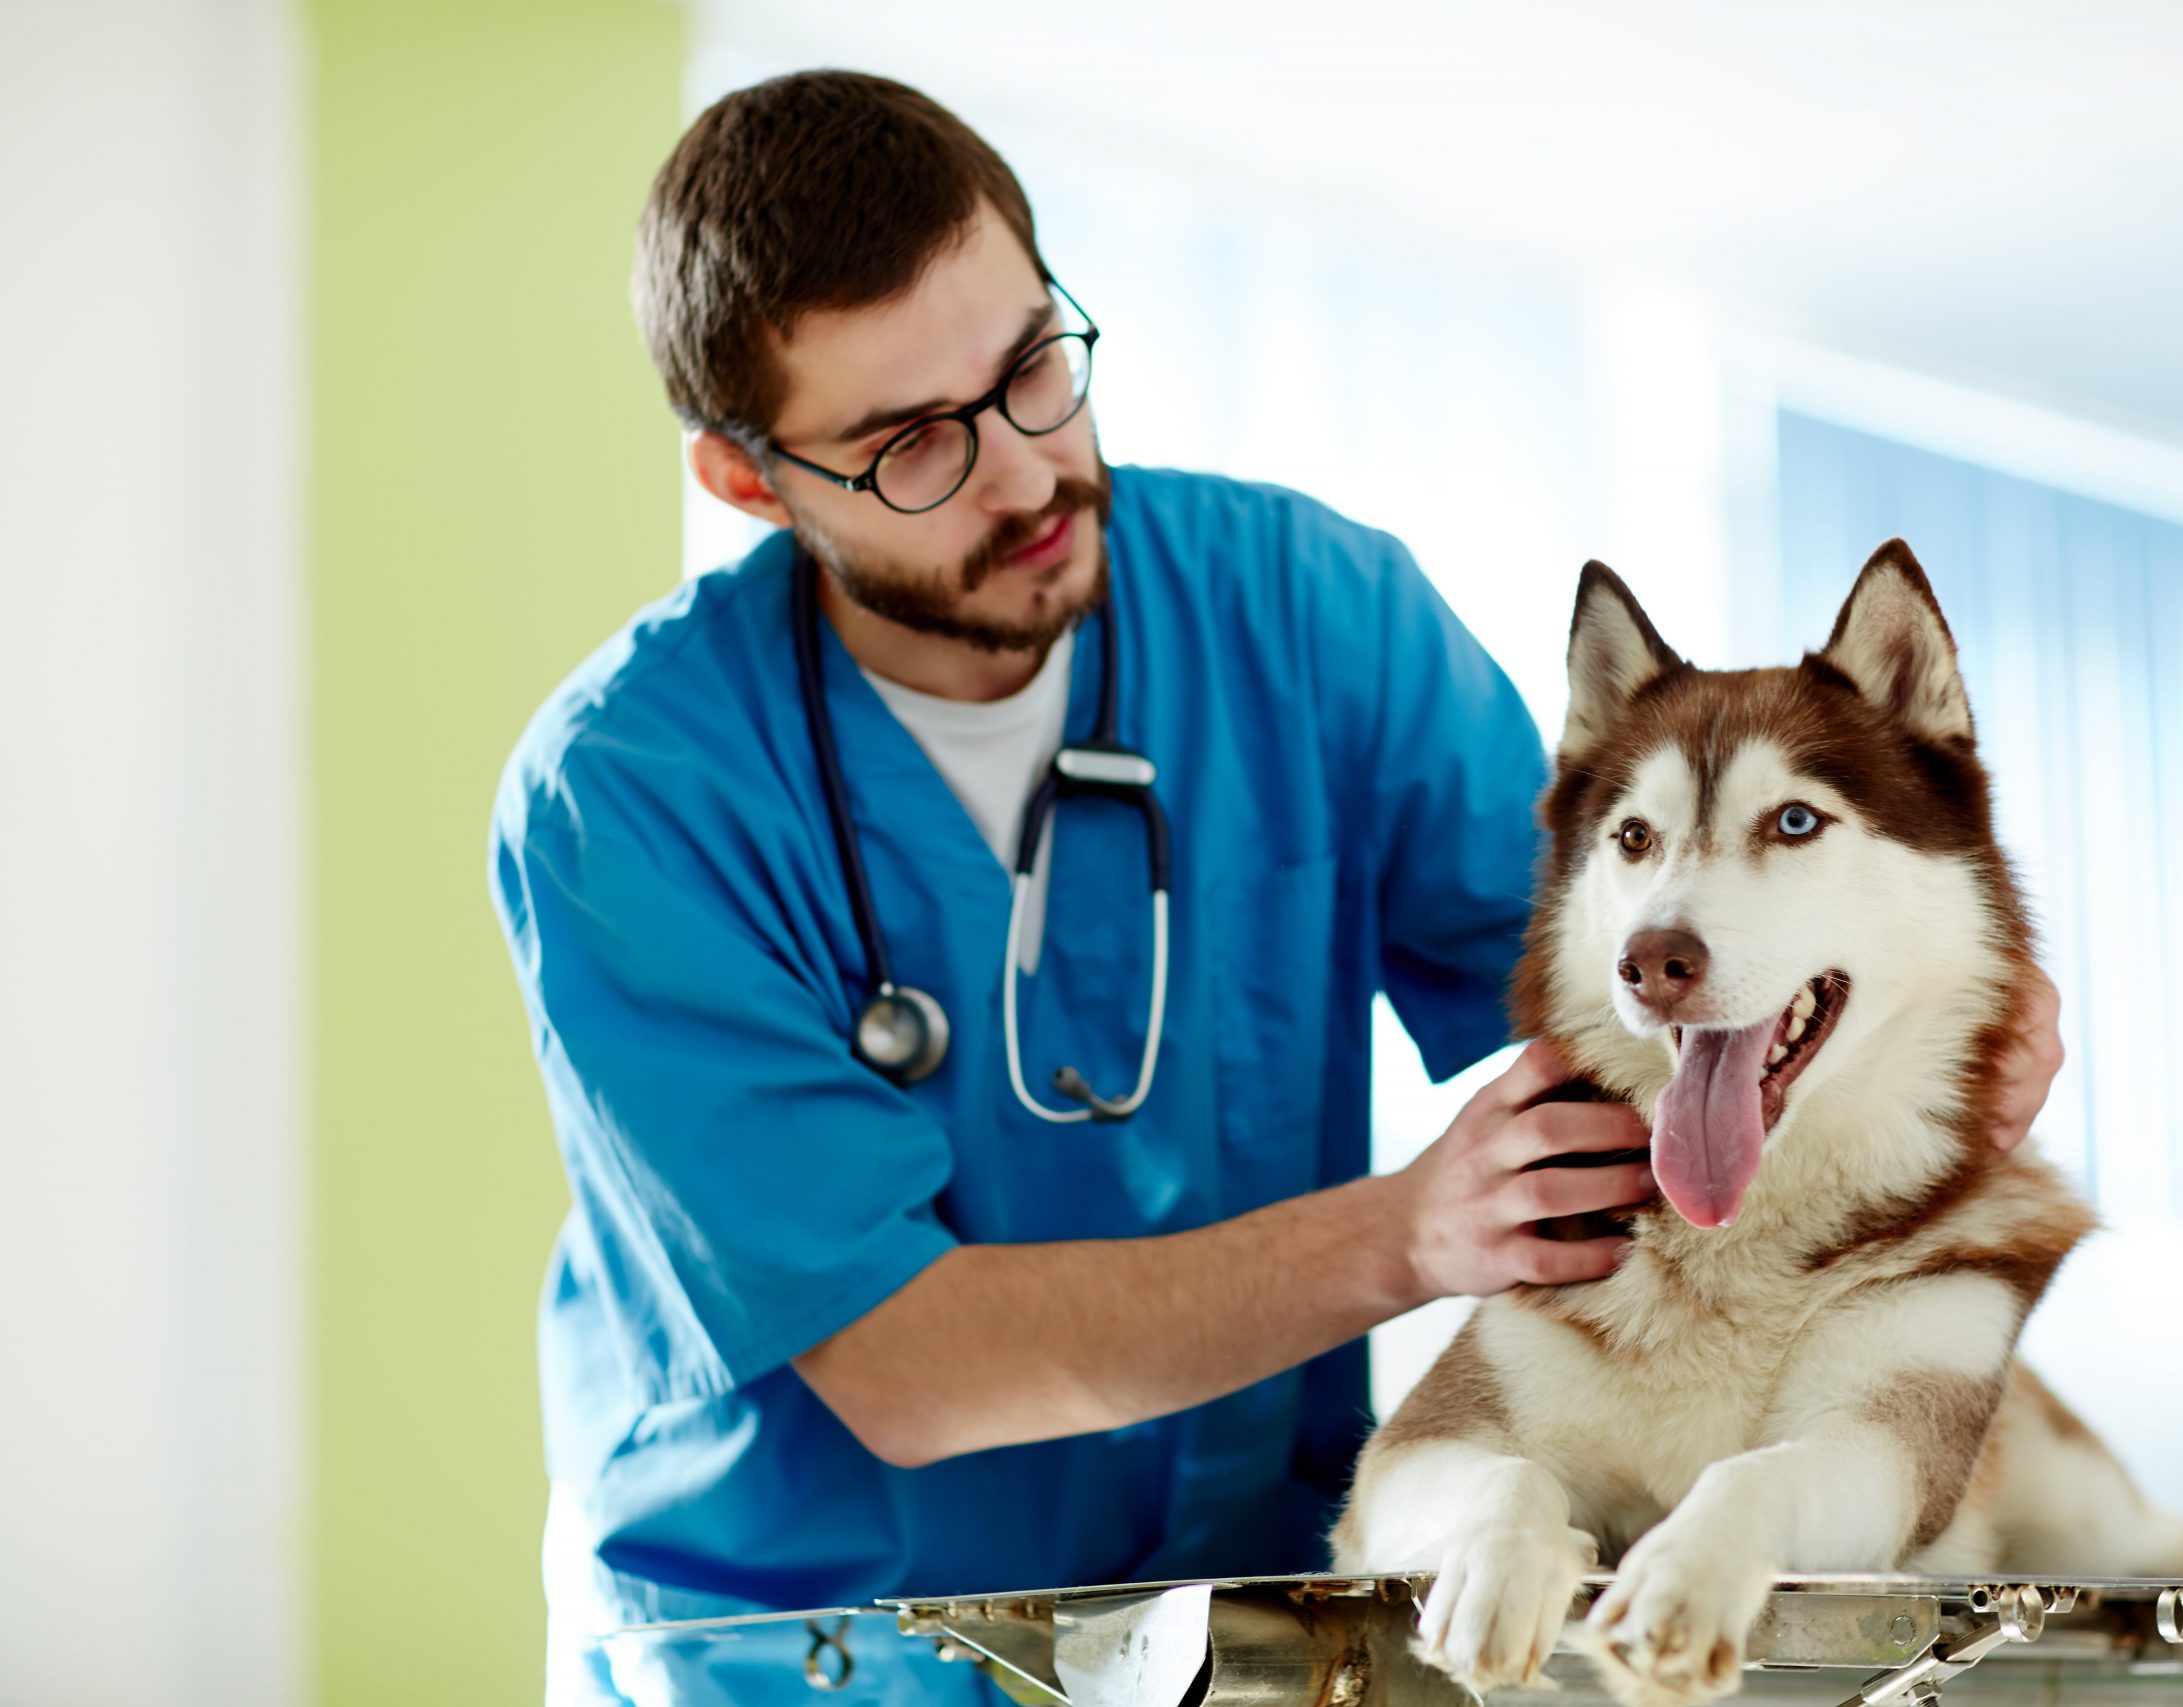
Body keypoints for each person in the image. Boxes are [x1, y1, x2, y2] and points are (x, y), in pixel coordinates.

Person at [488, 70, 2066, 1707]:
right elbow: (905, 1363)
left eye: (1035, 368)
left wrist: (1915, 1004)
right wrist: (1404, 1236)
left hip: (1229, 1631)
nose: (1026, 472)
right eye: (909, 450)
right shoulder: (628, 802)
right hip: (804, 1659)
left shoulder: (1314, 616)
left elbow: (1633, 995)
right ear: (751, 483)